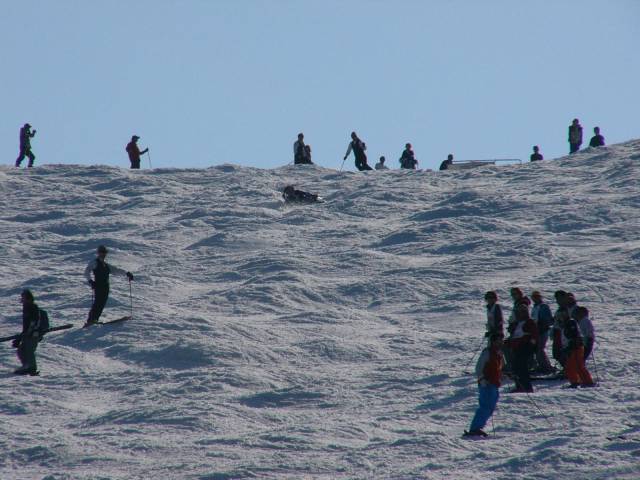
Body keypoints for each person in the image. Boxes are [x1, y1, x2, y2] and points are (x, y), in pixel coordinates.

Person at [464, 333, 504, 437]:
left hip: (495, 384)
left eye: (501, 340)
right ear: (493, 342)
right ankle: (475, 428)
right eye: (498, 340)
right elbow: (479, 367)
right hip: (487, 383)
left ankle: (478, 427)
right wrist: (482, 379)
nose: (500, 342)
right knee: (485, 406)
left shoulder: (499, 353)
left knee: (490, 407)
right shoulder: (487, 352)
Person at [84, 245, 134, 325]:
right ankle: (91, 320)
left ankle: (95, 320)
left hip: (106, 287)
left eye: (104, 252)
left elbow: (116, 270)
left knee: (102, 303)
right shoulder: (94, 262)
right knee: (98, 303)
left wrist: (127, 273)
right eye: (101, 252)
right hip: (98, 286)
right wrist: (90, 281)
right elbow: (86, 272)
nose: (103, 254)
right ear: (98, 253)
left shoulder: (106, 265)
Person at [13, 289, 46, 375]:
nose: (22, 299)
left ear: (28, 298)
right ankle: (26, 366)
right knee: (21, 350)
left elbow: (34, 321)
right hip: (27, 333)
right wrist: (20, 337)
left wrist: (30, 331)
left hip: (33, 334)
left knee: (29, 350)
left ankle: (31, 368)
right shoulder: (26, 307)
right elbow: (26, 325)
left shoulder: (32, 307)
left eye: (23, 297)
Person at [505, 305, 537, 393]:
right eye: (519, 312)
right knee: (516, 367)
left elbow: (534, 335)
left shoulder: (529, 322)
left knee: (522, 368)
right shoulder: (517, 323)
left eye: (522, 312)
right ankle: (519, 386)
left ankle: (526, 387)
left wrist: (531, 345)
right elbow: (514, 335)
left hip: (524, 347)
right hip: (516, 347)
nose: (520, 314)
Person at [561, 309, 595, 388]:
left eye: (562, 315)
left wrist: (571, 345)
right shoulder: (566, 323)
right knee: (574, 365)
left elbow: (574, 334)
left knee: (575, 365)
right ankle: (579, 381)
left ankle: (582, 381)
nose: (561, 317)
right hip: (572, 347)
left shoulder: (571, 322)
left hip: (575, 347)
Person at [530, 291, 554, 374]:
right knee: (537, 350)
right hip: (536, 331)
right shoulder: (535, 307)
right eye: (534, 297)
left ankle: (546, 367)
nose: (535, 298)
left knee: (540, 349)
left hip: (542, 331)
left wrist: (542, 325)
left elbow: (547, 320)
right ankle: (542, 365)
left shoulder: (543, 307)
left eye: (537, 297)